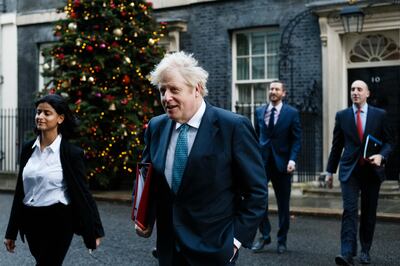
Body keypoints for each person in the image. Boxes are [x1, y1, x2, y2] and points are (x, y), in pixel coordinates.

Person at [135, 51, 268, 265]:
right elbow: (148, 177)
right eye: (162, 90)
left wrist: (234, 241)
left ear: (196, 89)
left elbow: (257, 193)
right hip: (168, 250)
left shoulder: (233, 127)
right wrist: (143, 216)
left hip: (214, 249)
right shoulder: (156, 126)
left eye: (174, 89)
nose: (166, 98)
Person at [4, 94, 104, 265]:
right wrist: (11, 232)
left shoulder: (71, 153)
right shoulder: (28, 148)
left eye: (47, 113)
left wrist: (94, 231)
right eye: (38, 112)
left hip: (59, 222)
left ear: (60, 118)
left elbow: (83, 193)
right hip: (32, 224)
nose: (40, 117)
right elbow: (21, 191)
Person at [326, 80, 394, 266]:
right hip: (349, 171)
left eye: (359, 89)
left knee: (369, 212)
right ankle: (347, 253)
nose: (355, 92)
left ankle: (365, 250)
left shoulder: (380, 115)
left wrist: (382, 155)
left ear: (367, 93)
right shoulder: (342, 116)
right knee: (349, 210)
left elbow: (390, 142)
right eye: (352, 89)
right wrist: (329, 172)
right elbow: (337, 145)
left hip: (372, 171)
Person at [251, 81, 302, 254]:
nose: (273, 91)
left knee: (283, 204)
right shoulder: (259, 111)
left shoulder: (292, 113)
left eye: (277, 89)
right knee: (258, 200)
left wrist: (292, 160)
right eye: (271, 89)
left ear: (283, 93)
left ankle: (282, 240)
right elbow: (256, 136)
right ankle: (264, 235)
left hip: (282, 165)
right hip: (262, 164)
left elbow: (296, 139)